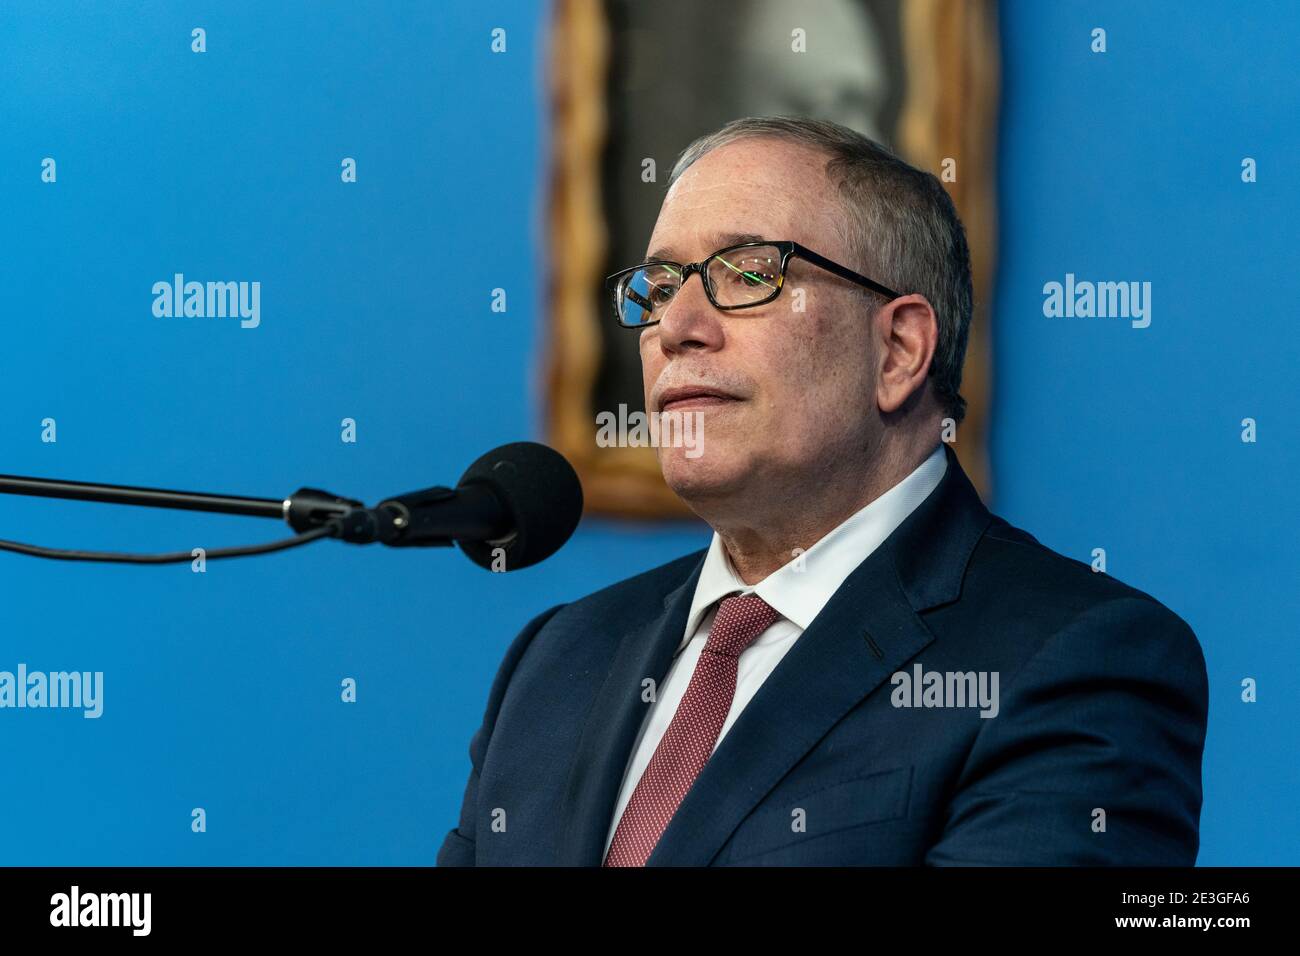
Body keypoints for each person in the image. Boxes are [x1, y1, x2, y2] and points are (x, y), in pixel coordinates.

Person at [437, 116, 1208, 866]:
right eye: (661, 284)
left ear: (899, 350)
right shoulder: (558, 657)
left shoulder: (1075, 661)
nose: (676, 326)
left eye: (747, 272)